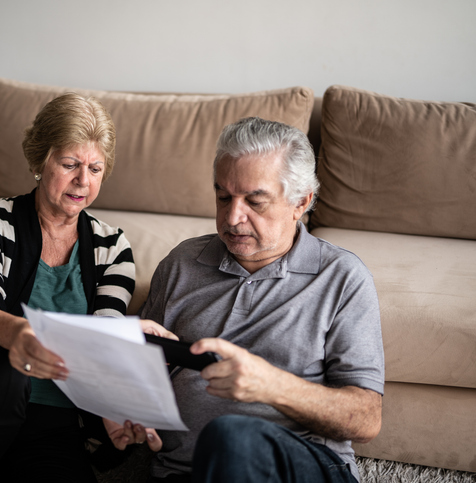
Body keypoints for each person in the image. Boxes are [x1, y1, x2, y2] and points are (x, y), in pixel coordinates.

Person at [0, 93, 169, 482]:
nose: (84, 181)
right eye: (70, 164)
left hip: (54, 418)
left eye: (96, 169)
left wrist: (116, 402)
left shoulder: (112, 247)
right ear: (39, 160)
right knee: (6, 365)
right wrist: (23, 334)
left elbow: (100, 344)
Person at [138, 117, 385, 483]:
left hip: (299, 466)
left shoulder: (341, 278)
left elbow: (366, 419)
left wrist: (271, 385)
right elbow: (144, 371)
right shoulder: (182, 263)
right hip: (182, 470)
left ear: (301, 202)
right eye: (224, 197)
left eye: (255, 201)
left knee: (231, 435)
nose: (233, 216)